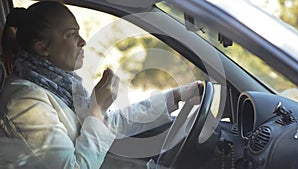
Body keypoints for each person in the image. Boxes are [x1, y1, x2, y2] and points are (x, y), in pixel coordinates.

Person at [0, 1, 203, 169]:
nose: (83, 41)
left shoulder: (57, 84)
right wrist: (97, 108)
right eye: (71, 35)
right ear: (42, 47)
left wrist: (176, 96)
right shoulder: (25, 103)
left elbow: (108, 124)